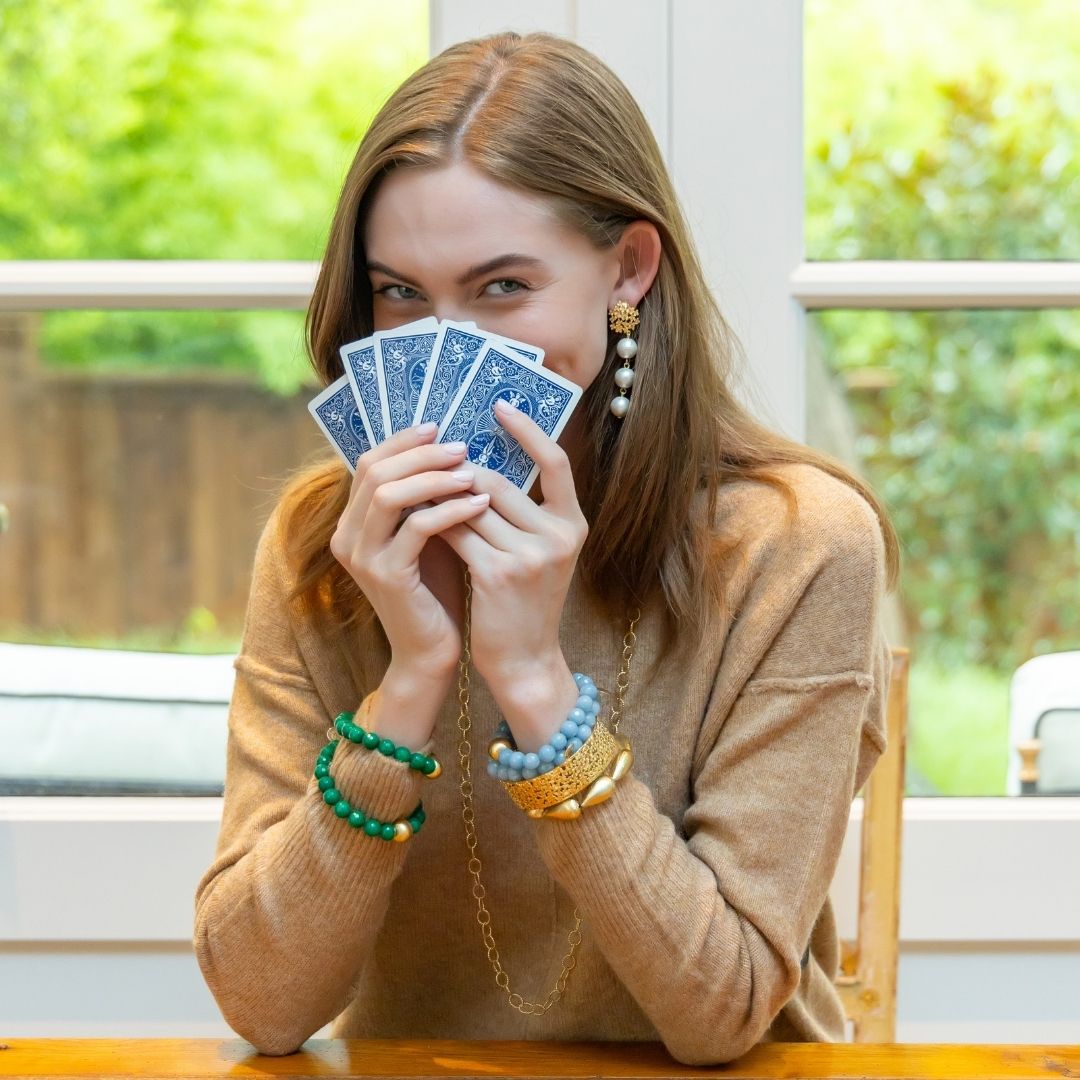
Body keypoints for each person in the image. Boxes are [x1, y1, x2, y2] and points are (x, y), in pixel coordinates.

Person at [193, 30, 900, 1065]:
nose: (448, 348)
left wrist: (533, 683)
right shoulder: (327, 550)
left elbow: (721, 1015)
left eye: (502, 288)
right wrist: (412, 679)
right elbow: (261, 1003)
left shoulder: (795, 547)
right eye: (400, 294)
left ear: (629, 269)